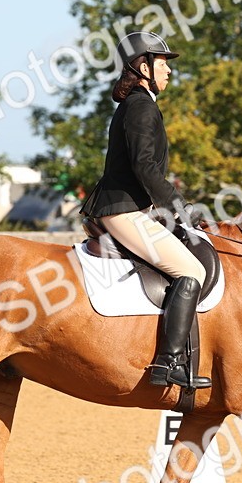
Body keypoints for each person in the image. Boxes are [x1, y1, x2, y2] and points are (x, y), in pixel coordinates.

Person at [80, 31, 211, 390]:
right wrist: (179, 208)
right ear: (143, 66)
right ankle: (168, 364)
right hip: (122, 211)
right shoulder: (141, 106)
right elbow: (145, 168)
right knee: (191, 269)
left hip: (131, 207)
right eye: (163, 63)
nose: (169, 71)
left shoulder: (139, 104)